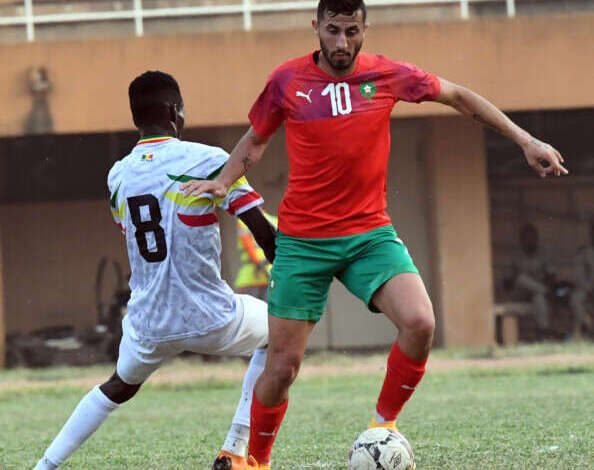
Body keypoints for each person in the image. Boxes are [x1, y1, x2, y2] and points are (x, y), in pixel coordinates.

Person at [181, 1, 568, 467]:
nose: (341, 42)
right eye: (332, 30)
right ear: (316, 27)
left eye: (351, 31)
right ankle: (258, 462)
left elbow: (459, 96)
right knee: (281, 368)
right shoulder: (287, 80)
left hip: (369, 235)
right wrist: (223, 181)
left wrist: (527, 140)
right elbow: (256, 139)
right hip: (303, 243)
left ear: (365, 29)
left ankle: (382, 427)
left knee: (420, 323)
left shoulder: (387, 74)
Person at [32, 71, 276, 470]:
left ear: (136, 118)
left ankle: (44, 466)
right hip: (209, 314)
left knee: (117, 387)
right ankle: (234, 449)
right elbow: (264, 235)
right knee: (281, 334)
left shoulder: (118, 175)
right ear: (174, 112)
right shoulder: (210, 160)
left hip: (148, 321)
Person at [505, 223, 555, 331]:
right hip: (520, 293)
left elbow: (552, 276)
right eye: (528, 238)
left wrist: (546, 283)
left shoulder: (543, 254)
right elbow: (506, 283)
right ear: (522, 240)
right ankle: (543, 290)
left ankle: (544, 330)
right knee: (521, 278)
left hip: (536, 293)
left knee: (539, 297)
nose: (531, 241)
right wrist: (512, 278)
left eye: (533, 237)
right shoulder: (515, 256)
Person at [235, 210, 278, 300]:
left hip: (251, 279)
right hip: (271, 275)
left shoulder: (244, 220)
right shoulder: (275, 220)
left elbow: (250, 249)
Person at [569, 220, 594, 339]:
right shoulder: (584, 253)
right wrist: (589, 289)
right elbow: (578, 276)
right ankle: (589, 327)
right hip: (587, 290)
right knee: (576, 298)